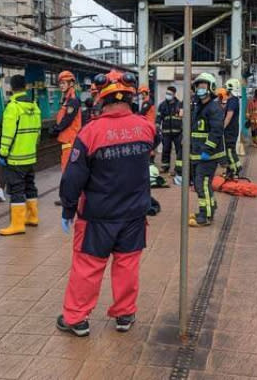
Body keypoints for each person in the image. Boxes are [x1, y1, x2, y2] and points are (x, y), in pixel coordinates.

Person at [56, 69, 156, 337]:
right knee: (127, 265)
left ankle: (77, 319)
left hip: (97, 216)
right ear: (131, 97)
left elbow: (73, 178)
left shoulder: (90, 133)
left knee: (88, 267)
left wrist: (68, 208)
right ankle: (124, 314)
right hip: (134, 214)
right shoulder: (146, 128)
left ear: (101, 98)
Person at [0, 74, 42, 236]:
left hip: (15, 159)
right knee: (30, 186)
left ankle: (17, 224)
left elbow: (7, 135)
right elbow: (38, 133)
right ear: (26, 87)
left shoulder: (13, 107)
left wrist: (3, 153)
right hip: (30, 156)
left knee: (16, 189)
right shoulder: (35, 106)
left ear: (11, 88)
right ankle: (33, 217)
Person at [188, 73, 226, 227]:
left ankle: (205, 216)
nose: (200, 89)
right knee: (202, 184)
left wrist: (207, 150)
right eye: (198, 87)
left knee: (201, 184)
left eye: (203, 87)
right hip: (198, 154)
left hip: (208, 155)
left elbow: (216, 131)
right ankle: (209, 207)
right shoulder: (198, 106)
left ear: (210, 88)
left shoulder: (214, 108)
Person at [50, 70, 82, 172]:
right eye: (60, 83)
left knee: (68, 171)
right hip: (68, 141)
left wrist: (56, 129)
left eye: (63, 83)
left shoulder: (73, 100)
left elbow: (68, 119)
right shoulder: (67, 100)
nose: (61, 86)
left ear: (71, 83)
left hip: (70, 141)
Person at [156, 86, 182, 174]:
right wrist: (157, 125)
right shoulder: (162, 105)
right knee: (166, 149)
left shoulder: (179, 104)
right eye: (167, 93)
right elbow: (159, 117)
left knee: (179, 150)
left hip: (178, 132)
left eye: (170, 94)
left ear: (174, 94)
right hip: (166, 132)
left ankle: (178, 169)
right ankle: (165, 167)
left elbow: (183, 117)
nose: (167, 95)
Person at [222, 78, 243, 178]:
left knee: (229, 151)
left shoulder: (232, 101)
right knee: (231, 151)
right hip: (232, 130)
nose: (225, 90)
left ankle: (234, 171)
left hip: (230, 130)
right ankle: (235, 167)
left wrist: (222, 128)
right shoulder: (233, 100)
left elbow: (229, 116)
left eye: (226, 88)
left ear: (230, 89)